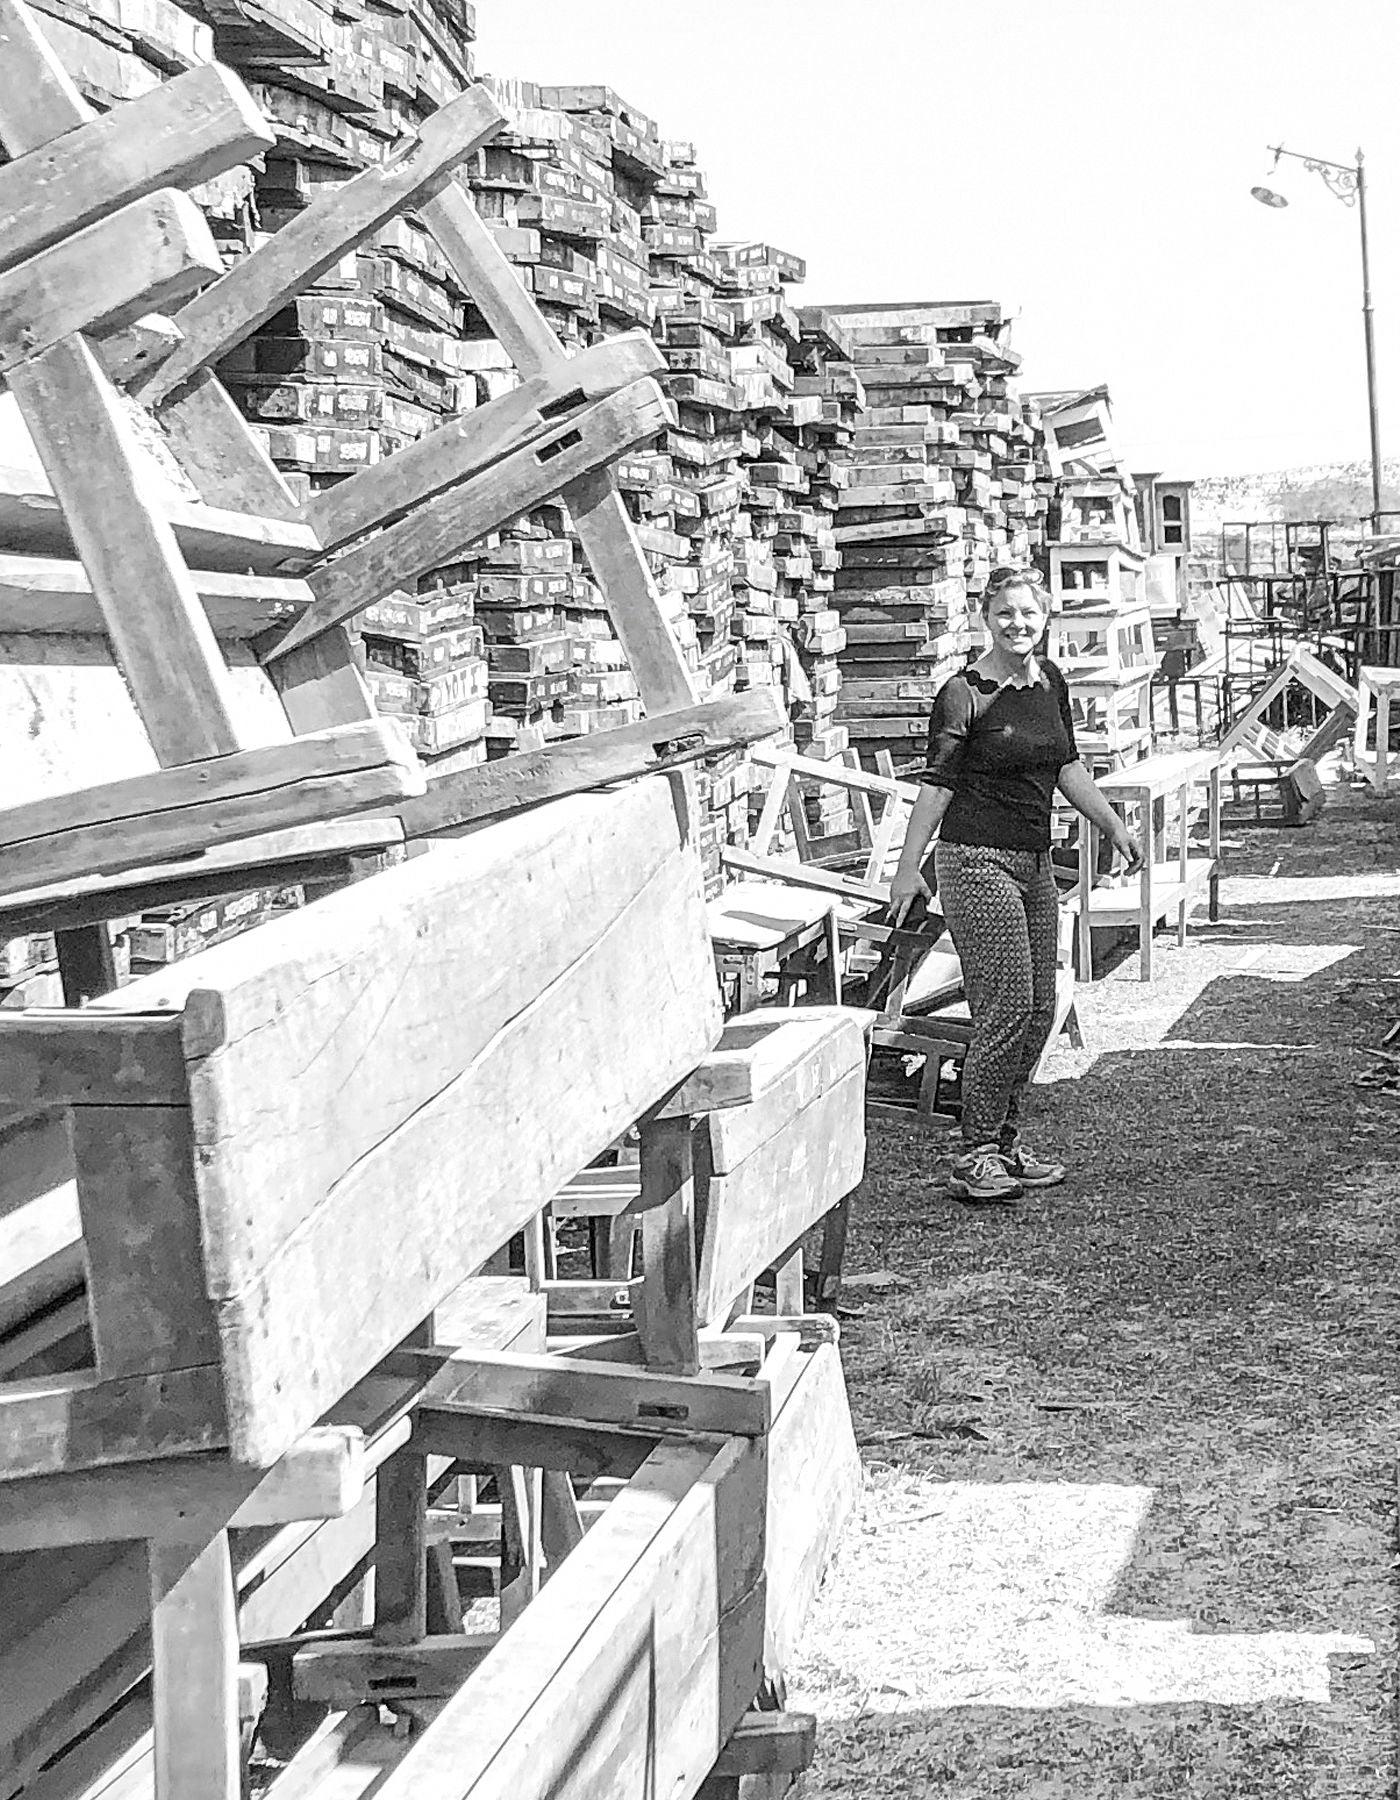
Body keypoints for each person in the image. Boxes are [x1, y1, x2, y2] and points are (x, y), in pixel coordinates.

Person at [888, 566, 1142, 1203]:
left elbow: (1066, 765)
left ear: (1045, 616)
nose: (1018, 624)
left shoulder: (1050, 681)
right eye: (1005, 613)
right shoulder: (963, 692)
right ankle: (975, 1154)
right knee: (1003, 1008)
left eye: (1029, 613)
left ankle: (1003, 1143)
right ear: (985, 615)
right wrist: (906, 866)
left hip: (1032, 862)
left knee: (1038, 1008)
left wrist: (1112, 824)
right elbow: (937, 784)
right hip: (974, 860)